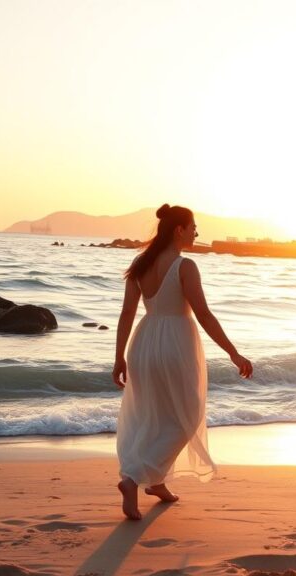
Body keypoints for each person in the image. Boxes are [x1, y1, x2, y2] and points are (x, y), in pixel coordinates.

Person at [112, 204, 252, 521]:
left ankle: (157, 483)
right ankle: (133, 478)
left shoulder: (140, 263)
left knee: (154, 414)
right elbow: (203, 315)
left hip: (143, 344)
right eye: (193, 227)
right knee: (187, 415)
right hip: (175, 345)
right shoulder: (184, 266)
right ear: (179, 230)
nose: (196, 232)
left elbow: (126, 315)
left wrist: (119, 357)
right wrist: (233, 352)